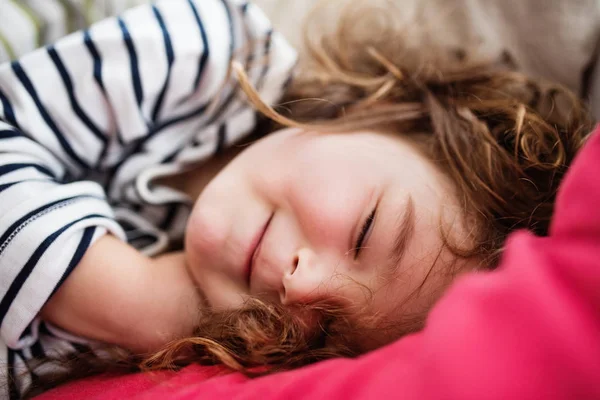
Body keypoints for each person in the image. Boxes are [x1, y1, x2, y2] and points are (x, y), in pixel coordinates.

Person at [0, 0, 595, 398]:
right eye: (365, 233)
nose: (304, 287)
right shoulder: (211, 56)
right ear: (380, 114)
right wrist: (127, 298)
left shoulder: (188, 362)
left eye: (325, 332)